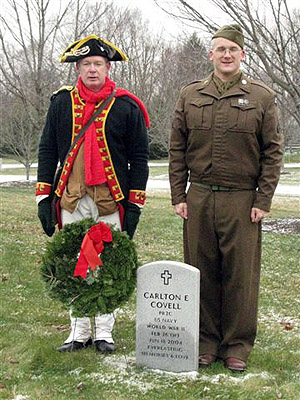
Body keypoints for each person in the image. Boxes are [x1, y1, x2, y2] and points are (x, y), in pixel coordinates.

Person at [169, 24, 283, 372]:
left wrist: (262, 200)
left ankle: (237, 345)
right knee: (200, 272)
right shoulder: (190, 95)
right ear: (211, 54)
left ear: (242, 54)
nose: (227, 55)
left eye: (233, 50)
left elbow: (273, 153)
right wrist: (179, 195)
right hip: (200, 197)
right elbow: (177, 148)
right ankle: (206, 342)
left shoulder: (262, 98)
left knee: (240, 276)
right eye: (220, 49)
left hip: (242, 200)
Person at [36, 35, 149, 353]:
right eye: (86, 64)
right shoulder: (61, 103)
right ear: (78, 69)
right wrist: (44, 197)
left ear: (107, 67)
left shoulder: (126, 106)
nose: (93, 69)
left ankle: (104, 332)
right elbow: (47, 150)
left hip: (110, 199)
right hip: (71, 196)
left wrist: (135, 202)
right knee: (77, 262)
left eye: (98, 64)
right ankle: (79, 330)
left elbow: (139, 157)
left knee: (107, 263)